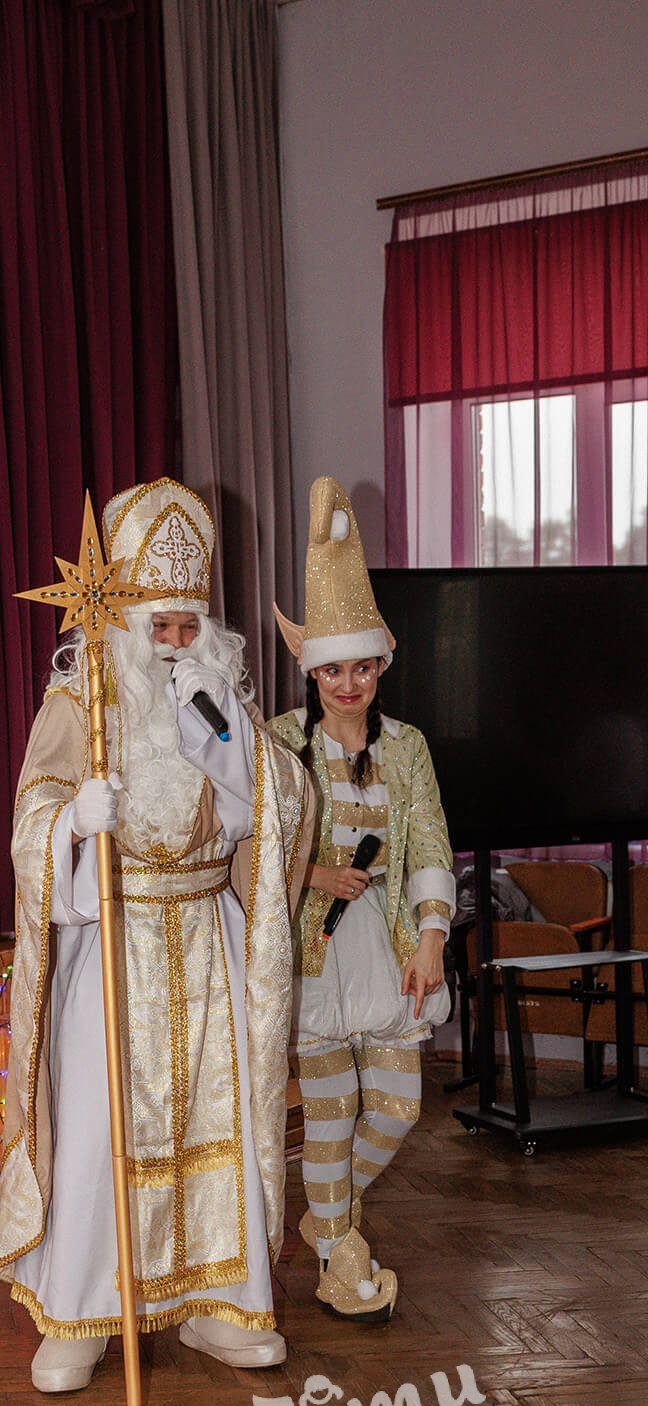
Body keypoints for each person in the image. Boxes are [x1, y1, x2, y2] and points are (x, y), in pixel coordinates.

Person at [0, 479, 311, 1393]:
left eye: (187, 626)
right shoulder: (79, 704)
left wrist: (236, 757)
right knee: (101, 1131)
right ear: (124, 620)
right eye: (159, 626)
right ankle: (85, 1311)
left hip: (206, 934)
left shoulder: (219, 705)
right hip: (114, 940)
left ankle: (220, 1305)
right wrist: (72, 824)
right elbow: (29, 826)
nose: (173, 643)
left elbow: (283, 805)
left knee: (220, 1120)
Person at [268, 477, 454, 1322]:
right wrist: (312, 876)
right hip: (310, 955)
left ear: (381, 666)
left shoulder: (407, 748)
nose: (348, 683)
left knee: (399, 1107)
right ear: (312, 669)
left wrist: (432, 935)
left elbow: (431, 844)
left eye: (362, 666)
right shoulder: (279, 741)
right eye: (333, 668)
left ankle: (326, 1220)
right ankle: (341, 1260)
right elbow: (247, 846)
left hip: (387, 949)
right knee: (332, 1113)